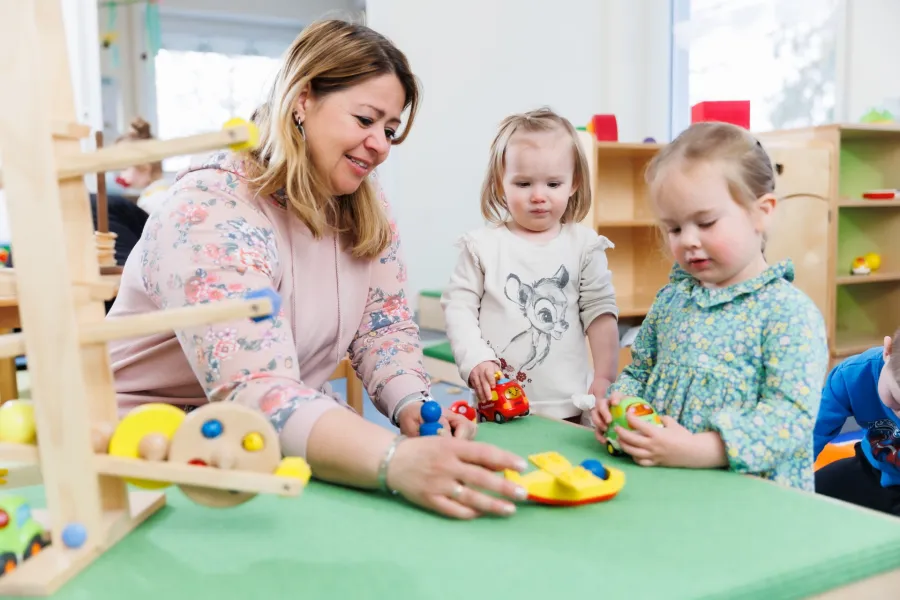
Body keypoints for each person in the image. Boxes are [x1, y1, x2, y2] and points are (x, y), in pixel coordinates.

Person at [106, 19, 528, 520]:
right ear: (303, 99)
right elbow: (255, 387)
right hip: (151, 451)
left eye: (390, 130)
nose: (380, 144)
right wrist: (392, 458)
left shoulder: (364, 206)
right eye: (366, 120)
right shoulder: (211, 205)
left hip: (280, 433)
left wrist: (413, 403)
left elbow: (383, 328)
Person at [591, 121, 828, 491]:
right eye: (673, 228)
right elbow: (640, 370)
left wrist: (700, 449)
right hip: (671, 488)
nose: (688, 241)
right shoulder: (672, 299)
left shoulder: (787, 313)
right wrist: (619, 404)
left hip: (751, 502)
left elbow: (789, 418)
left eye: (706, 222)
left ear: (761, 212)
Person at [441, 108, 619, 423]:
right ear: (500, 184)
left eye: (553, 184)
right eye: (523, 184)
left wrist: (604, 377)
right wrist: (477, 360)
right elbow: (459, 308)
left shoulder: (584, 246)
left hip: (570, 404)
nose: (539, 196)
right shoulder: (482, 247)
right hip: (498, 402)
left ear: (573, 183)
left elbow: (600, 314)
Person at [814, 329, 900, 515]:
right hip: (872, 469)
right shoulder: (853, 374)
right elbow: (807, 437)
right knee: (806, 494)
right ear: (888, 352)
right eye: (897, 403)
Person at [113, 117, 171, 215]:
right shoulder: (166, 191)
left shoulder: (152, 202)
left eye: (124, 168)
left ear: (145, 167)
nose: (121, 175)